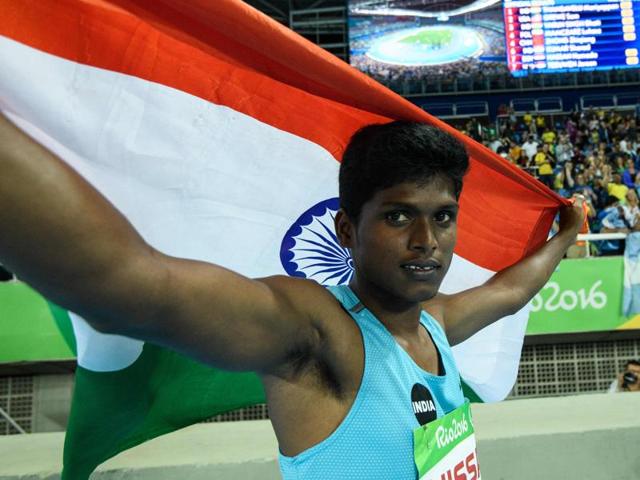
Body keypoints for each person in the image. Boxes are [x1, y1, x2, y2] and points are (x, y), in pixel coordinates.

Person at [0, 115, 586, 479]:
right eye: (399, 215)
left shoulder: (432, 325)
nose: (426, 241)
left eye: (443, 217)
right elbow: (135, 286)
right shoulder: (317, 333)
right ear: (348, 231)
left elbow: (508, 291)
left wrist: (564, 236)